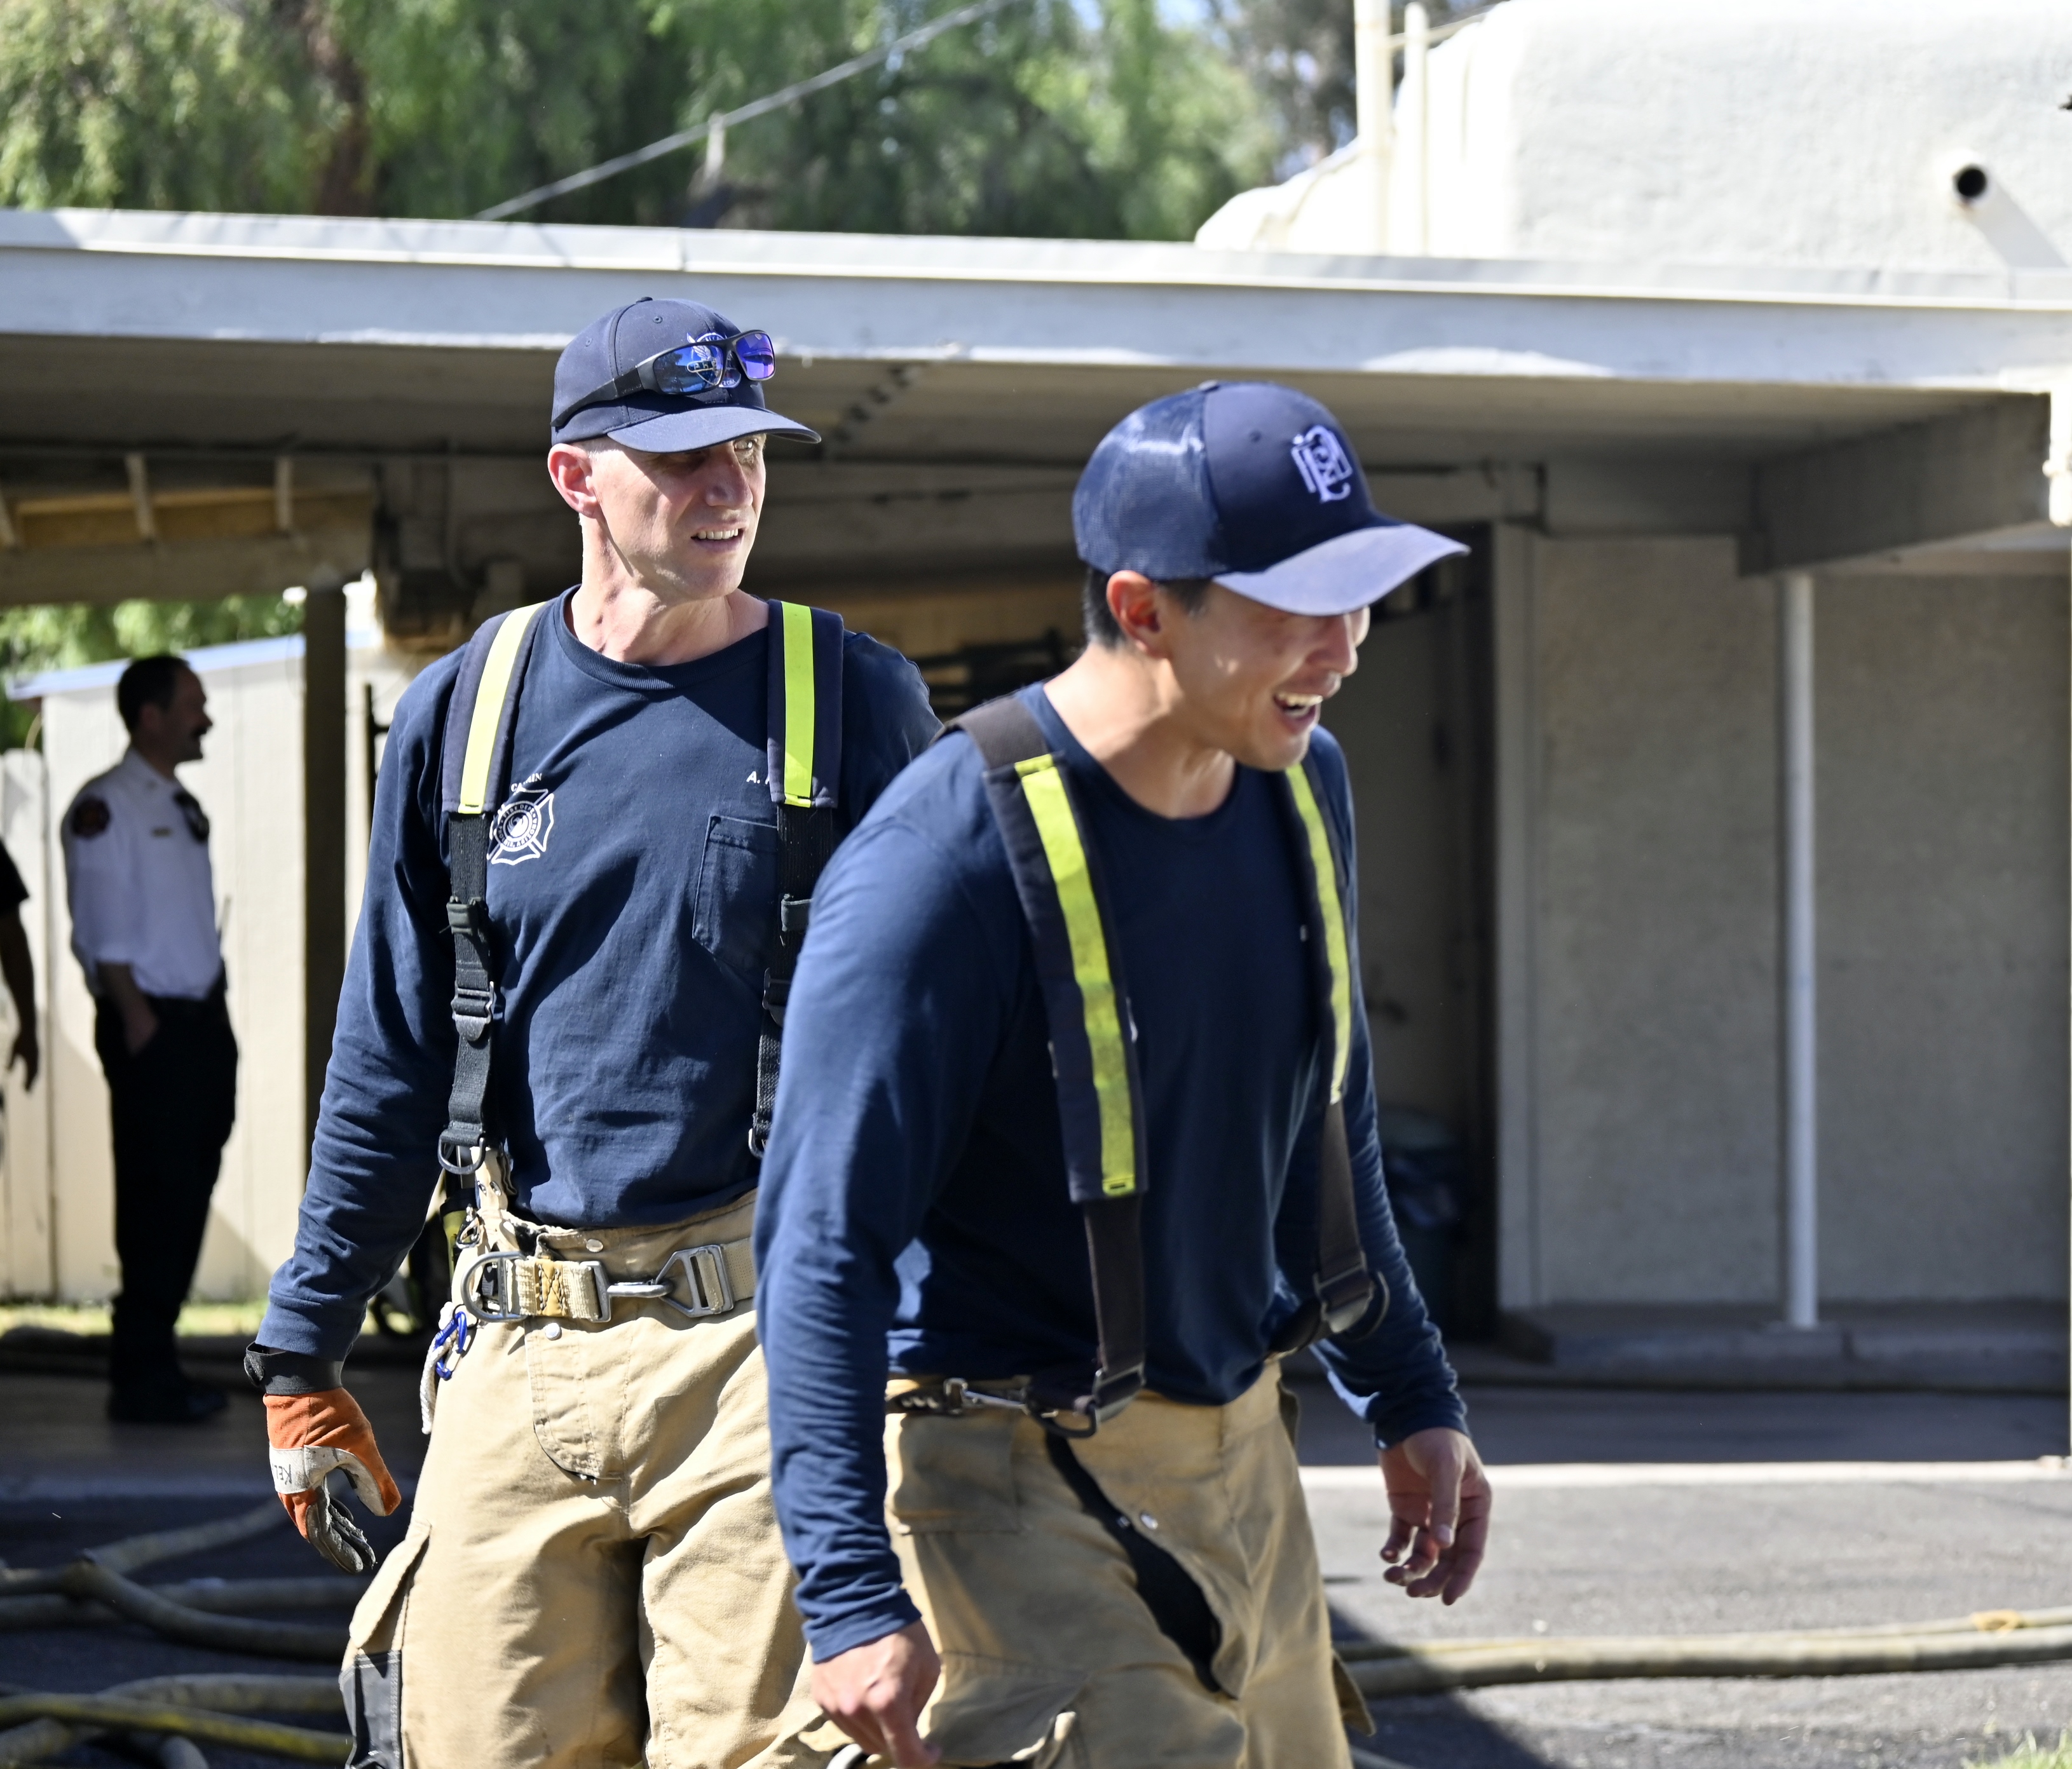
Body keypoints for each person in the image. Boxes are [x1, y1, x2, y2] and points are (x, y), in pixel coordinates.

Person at [756, 381, 1496, 1768]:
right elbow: (820, 1245)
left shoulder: (1303, 782)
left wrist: (1408, 1391)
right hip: (1012, 1486)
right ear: (1143, 608)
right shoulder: (941, 862)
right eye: (1298, 605)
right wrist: (848, 1590)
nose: (1344, 647)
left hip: (1245, 1464)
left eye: (1358, 597)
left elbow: (1326, 1124)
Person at [247, 297, 939, 1769]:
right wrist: (303, 1352)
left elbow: (950, 1051)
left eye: (749, 451)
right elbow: (389, 1055)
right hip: (518, 1339)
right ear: (575, 477)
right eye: (685, 457)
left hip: (761, 1345)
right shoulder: (463, 716)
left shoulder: (854, 702)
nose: (730, 485)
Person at [62, 654, 235, 1424]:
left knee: (186, 1188)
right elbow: (103, 936)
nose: (206, 720)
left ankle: (158, 1361)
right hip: (152, 1027)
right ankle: (140, 1376)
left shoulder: (176, 801)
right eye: (193, 705)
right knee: (154, 1197)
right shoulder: (105, 807)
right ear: (151, 717)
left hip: (198, 1023)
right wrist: (139, 1023)